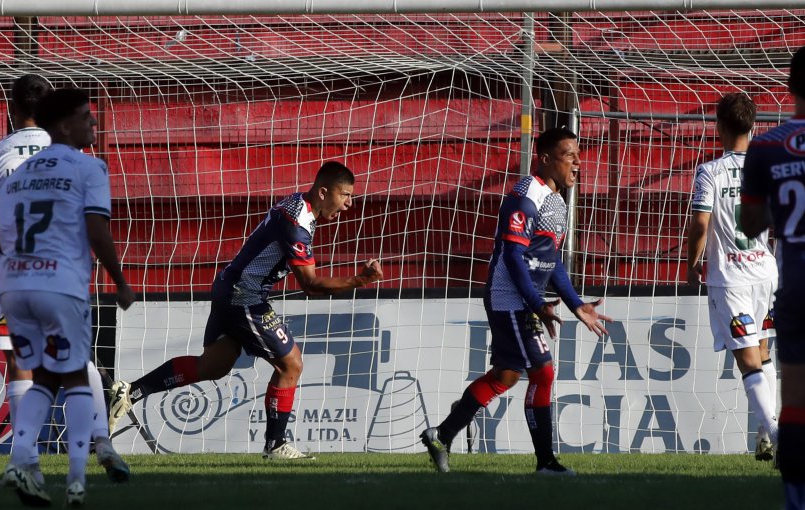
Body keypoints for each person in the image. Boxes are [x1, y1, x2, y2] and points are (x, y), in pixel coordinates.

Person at [108, 161, 382, 459]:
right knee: (291, 364)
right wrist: (359, 280)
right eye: (345, 195)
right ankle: (276, 445)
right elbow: (311, 286)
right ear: (323, 191)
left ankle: (130, 392)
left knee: (213, 366)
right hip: (244, 295)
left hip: (229, 286)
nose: (348, 205)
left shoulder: (295, 204)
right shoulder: (297, 224)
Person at [0, 75, 130, 488]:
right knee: (76, 360)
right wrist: (119, 280)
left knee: (20, 363)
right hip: (62, 274)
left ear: (12, 110)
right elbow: (94, 225)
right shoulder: (70, 159)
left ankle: (25, 459)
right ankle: (101, 442)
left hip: (13, 275)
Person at [420, 127, 611, 475]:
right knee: (544, 372)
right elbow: (512, 256)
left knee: (506, 376)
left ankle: (441, 435)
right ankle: (546, 463)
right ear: (547, 159)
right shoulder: (525, 196)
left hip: (527, 300)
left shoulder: (558, 201)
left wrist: (575, 303)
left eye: (578, 154)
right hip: (509, 298)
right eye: (570, 155)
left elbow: (551, 262)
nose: (578, 162)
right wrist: (537, 303)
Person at [685, 93, 779, 461]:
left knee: (748, 361)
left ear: (719, 127)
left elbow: (700, 223)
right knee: (765, 351)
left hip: (732, 277)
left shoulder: (710, 171)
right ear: (753, 127)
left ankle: (776, 433)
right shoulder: (766, 168)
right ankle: (764, 436)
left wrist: (692, 262)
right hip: (766, 272)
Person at [741, 45, 805, 510]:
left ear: (790, 88)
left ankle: (795, 498)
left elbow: (750, 223)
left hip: (798, 285)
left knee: (797, 399)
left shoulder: (766, 144)